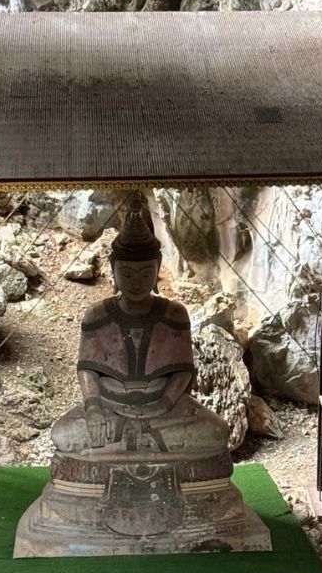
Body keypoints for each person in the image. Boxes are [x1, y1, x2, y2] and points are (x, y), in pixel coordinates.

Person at [51, 195, 230, 456]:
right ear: (114, 270)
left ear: (157, 270)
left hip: (164, 409)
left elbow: (182, 372)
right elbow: (88, 370)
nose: (136, 283)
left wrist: (164, 404)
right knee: (63, 435)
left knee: (216, 433)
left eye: (146, 274)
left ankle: (115, 450)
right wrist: (93, 409)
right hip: (109, 408)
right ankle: (131, 446)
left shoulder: (174, 315)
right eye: (127, 274)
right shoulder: (97, 315)